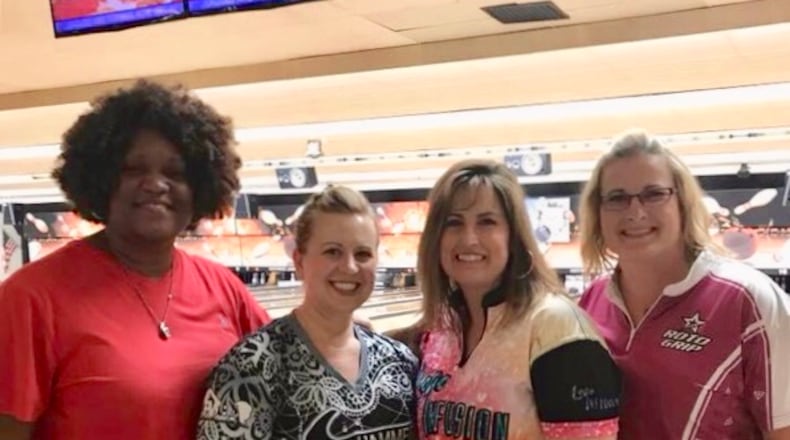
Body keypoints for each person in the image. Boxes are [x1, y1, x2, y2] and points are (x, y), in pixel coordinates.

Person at [0, 80, 271, 440]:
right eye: (133, 169)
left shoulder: (224, 288)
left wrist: (337, 327)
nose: (155, 184)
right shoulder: (31, 297)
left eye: (175, 173)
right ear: (101, 180)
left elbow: (285, 365)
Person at [577, 129, 790, 439]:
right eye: (617, 198)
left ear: (683, 204)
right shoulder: (592, 300)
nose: (635, 212)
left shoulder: (749, 301)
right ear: (597, 213)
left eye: (653, 194)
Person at [412, 159, 621, 440]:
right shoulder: (441, 328)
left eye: (487, 222)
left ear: (514, 236)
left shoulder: (557, 328)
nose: (469, 238)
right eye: (453, 222)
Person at [197, 185, 418, 440]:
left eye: (362, 254)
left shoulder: (399, 361)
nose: (349, 266)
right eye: (332, 251)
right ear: (299, 262)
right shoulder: (250, 366)